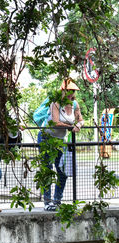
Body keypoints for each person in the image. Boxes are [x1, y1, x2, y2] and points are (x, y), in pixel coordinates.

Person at [38, 79, 84, 212]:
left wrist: (79, 125)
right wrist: (72, 126)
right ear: (63, 91)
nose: (71, 94)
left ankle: (57, 200)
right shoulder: (56, 103)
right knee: (47, 170)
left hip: (60, 141)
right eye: (69, 91)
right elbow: (55, 122)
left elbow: (80, 119)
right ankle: (47, 202)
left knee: (62, 171)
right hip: (47, 138)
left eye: (73, 91)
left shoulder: (75, 104)